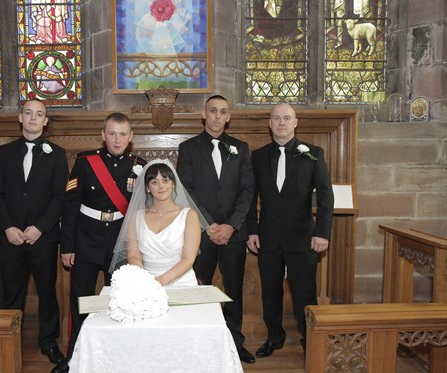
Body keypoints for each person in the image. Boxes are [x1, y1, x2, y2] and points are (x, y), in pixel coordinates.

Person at [52, 112, 147, 373]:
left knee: (119, 301)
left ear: (131, 137)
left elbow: (143, 211)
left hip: (120, 240)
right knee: (80, 301)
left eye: (122, 134)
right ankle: (74, 357)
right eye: (112, 133)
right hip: (85, 239)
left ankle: (116, 357)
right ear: (103, 135)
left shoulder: (139, 165)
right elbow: (70, 206)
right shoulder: (85, 162)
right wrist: (67, 246)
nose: (117, 140)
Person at [246, 103, 334, 358]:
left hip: (303, 238)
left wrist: (322, 233)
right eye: (276, 118)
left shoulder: (313, 153)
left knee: (305, 292)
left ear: (296, 123)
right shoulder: (259, 156)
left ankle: (311, 339)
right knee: (270, 291)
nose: (281, 123)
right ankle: (274, 337)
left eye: (286, 118)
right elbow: (251, 197)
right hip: (268, 237)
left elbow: (326, 198)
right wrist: (253, 230)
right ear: (270, 123)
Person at [0, 99, 68, 365]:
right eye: (29, 113)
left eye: (40, 114)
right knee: (11, 293)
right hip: (11, 238)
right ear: (20, 117)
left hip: (42, 238)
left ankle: (48, 342)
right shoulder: (4, 152)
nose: (33, 118)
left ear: (45, 121)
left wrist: (40, 228)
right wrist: (8, 227)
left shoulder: (56, 154)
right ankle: (4, 343)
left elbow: (59, 197)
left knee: (47, 292)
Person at [176, 95, 256, 364]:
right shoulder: (188, 149)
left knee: (233, 290)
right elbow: (185, 191)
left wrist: (231, 226)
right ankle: (197, 344)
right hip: (200, 233)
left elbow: (247, 191)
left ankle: (235, 343)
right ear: (204, 114)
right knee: (199, 288)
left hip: (233, 234)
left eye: (222, 112)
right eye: (212, 111)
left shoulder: (241, 149)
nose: (217, 116)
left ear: (228, 116)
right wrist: (209, 225)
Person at [110, 160, 209, 286]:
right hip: (146, 282)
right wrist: (144, 281)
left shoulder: (189, 216)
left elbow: (188, 259)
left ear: (173, 183)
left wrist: (160, 281)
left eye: (165, 180)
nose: (161, 186)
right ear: (147, 188)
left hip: (182, 283)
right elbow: (134, 256)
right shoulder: (136, 217)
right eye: (154, 182)